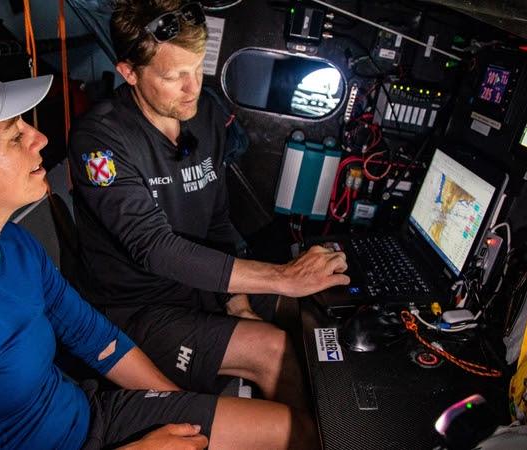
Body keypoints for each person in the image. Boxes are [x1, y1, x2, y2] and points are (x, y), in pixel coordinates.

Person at [0, 58, 314, 449]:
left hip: (89, 417)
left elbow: (92, 335)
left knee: (302, 432)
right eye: (15, 137)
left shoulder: (9, 243)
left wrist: (182, 416)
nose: (40, 139)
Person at [68, 0, 349, 416]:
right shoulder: (100, 141)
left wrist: (236, 298)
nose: (192, 88)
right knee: (274, 349)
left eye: (197, 68)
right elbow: (155, 248)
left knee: (317, 309)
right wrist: (281, 277)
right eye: (173, 76)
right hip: (137, 310)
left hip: (202, 287)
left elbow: (217, 221)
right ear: (129, 73)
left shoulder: (204, 117)